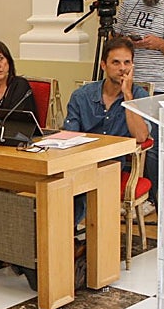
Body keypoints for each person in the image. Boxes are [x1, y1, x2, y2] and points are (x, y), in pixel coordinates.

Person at [64, 36, 151, 224]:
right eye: (116, 62)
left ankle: (70, 238)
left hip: (113, 166)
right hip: (81, 160)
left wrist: (127, 95)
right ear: (103, 65)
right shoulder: (82, 96)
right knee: (57, 185)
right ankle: (62, 237)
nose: (122, 68)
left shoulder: (138, 96)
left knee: (83, 184)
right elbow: (69, 136)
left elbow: (141, 136)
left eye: (127, 62)